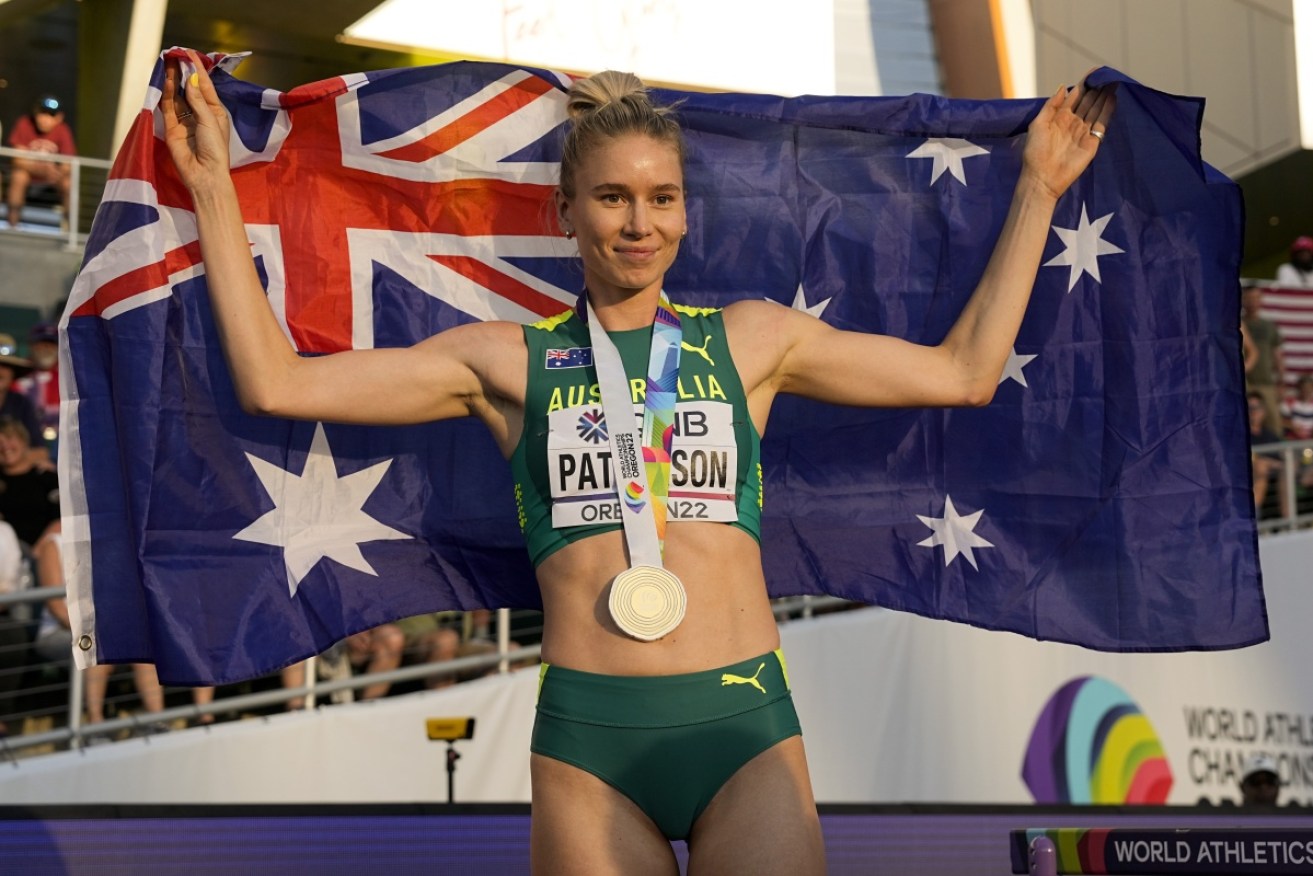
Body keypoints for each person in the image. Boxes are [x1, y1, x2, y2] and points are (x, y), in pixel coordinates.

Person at [164, 51, 1112, 873]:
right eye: (612, 197)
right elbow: (277, 384)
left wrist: (1036, 190)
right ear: (565, 210)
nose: (637, 223)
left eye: (660, 198)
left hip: (744, 728)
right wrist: (213, 190)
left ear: (686, 214)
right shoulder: (504, 361)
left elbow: (964, 372)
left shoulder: (751, 343)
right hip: (590, 740)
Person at [4, 95, 77, 229]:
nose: (45, 119)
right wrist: (42, 169)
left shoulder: (63, 130)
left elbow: (68, 164)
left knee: (69, 184)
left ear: (59, 118)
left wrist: (56, 173)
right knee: (18, 177)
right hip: (29, 175)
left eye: (51, 115)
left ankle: (71, 231)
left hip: (51, 177)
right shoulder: (24, 123)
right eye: (42, 113)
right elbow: (18, 160)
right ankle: (12, 226)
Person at [1243, 286, 1284, 429]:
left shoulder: (1269, 326)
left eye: (1255, 298)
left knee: (1274, 424)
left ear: (1260, 300)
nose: (1252, 302)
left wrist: (1281, 381)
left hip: (1266, 383)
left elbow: (1278, 355)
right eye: (1248, 298)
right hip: (1245, 383)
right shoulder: (1238, 324)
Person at [17, 323, 60, 460]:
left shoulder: (71, 379)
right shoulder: (18, 380)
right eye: (40, 343)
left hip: (64, 446)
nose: (46, 348)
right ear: (31, 346)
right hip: (27, 448)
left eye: (51, 343)